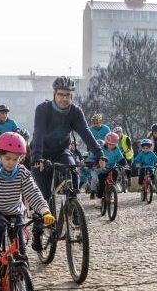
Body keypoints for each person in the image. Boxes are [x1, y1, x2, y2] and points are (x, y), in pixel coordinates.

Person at [0, 131, 54, 286]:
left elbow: (33, 192)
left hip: (15, 210)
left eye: (15, 159)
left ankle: (22, 274)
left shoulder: (22, 172)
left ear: (21, 158)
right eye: (7, 158)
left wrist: (44, 211)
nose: (11, 162)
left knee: (20, 245)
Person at [29, 76, 105, 249]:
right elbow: (38, 133)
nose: (65, 98)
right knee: (43, 195)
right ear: (54, 94)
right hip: (41, 153)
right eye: (61, 94)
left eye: (68, 95)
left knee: (72, 172)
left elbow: (86, 133)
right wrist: (37, 158)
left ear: (72, 96)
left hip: (62, 152)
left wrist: (99, 154)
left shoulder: (75, 112)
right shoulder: (43, 109)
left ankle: (73, 207)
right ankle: (37, 231)